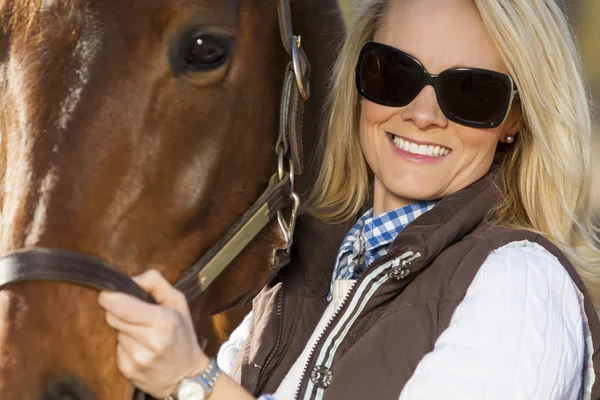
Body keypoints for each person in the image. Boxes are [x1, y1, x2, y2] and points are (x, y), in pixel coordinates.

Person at [98, 0, 600, 398]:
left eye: (471, 92)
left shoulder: (521, 282)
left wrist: (194, 381)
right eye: (394, 74)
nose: (423, 114)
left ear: (513, 120)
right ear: (359, 83)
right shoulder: (297, 275)